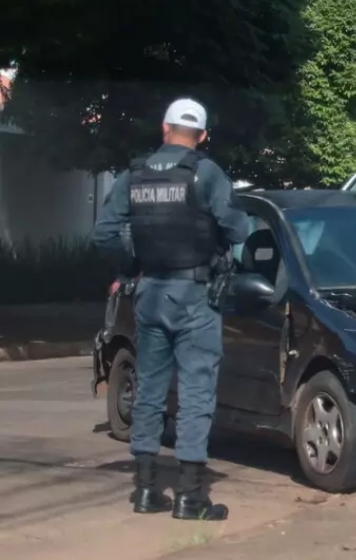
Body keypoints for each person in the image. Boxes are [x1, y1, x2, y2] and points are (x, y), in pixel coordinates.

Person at [92, 98, 248, 520]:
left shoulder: (134, 174)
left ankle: (145, 491)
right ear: (202, 137)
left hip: (150, 293)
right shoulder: (206, 172)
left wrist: (131, 266)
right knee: (196, 391)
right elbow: (238, 228)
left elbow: (104, 232)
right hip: (195, 295)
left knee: (150, 389)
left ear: (164, 129)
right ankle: (191, 497)